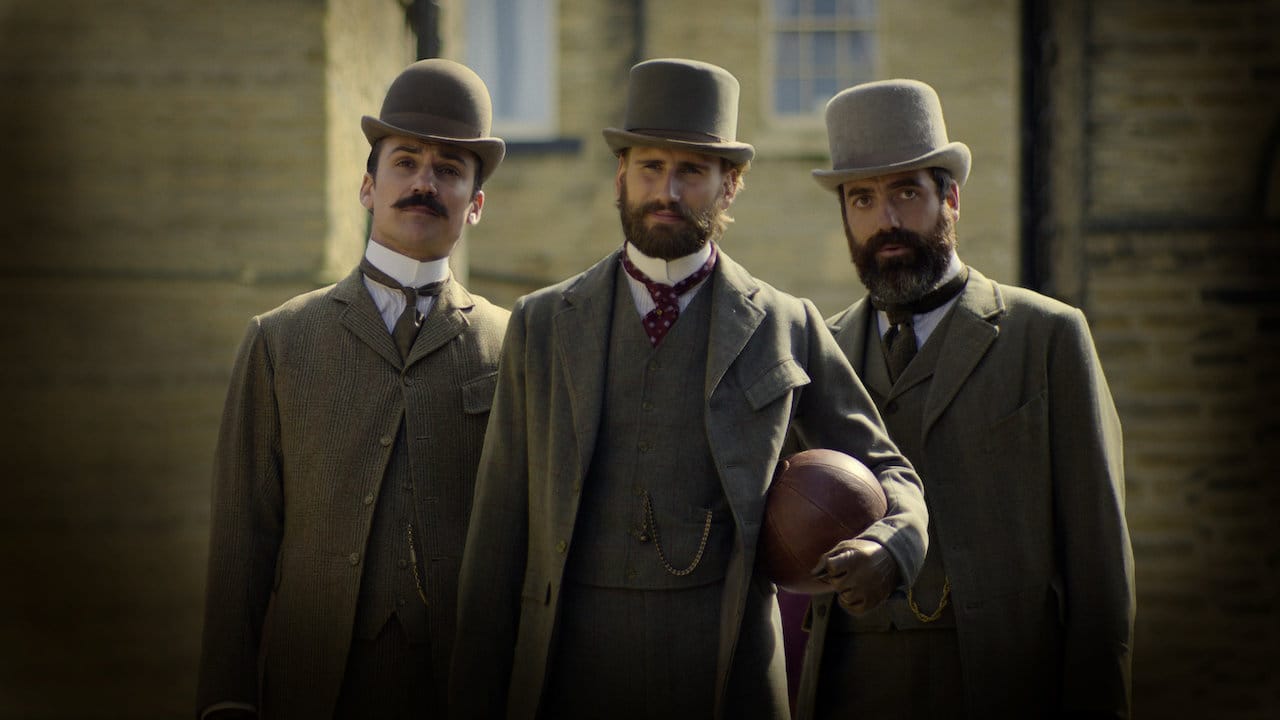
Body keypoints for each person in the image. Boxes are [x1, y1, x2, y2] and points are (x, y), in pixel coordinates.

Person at [448, 58, 928, 720]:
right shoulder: (544, 323)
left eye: (692, 172)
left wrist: (892, 543)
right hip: (567, 668)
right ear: (621, 175)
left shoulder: (784, 325)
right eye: (650, 168)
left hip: (726, 670)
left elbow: (887, 468)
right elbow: (497, 530)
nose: (667, 190)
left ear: (730, 187)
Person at [794, 79, 1135, 719]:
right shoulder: (820, 352)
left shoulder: (1048, 336)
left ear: (950, 197)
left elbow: (1100, 571)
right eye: (862, 199)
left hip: (1002, 684)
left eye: (906, 192)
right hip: (851, 687)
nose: (886, 220)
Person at [195, 58, 510, 719]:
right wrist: (224, 702)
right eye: (406, 161)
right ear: (368, 186)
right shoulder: (279, 341)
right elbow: (240, 545)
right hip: (311, 690)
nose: (425, 181)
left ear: (474, 204)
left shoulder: (515, 349)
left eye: (450, 169)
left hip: (465, 690)